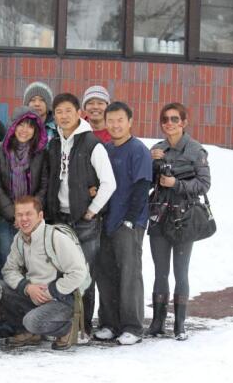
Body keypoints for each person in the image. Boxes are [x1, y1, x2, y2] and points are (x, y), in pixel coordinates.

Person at [45, 92, 116, 340]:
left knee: (84, 276)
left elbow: (109, 183)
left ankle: (84, 327)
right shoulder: (54, 144)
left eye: (67, 111)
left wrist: (92, 210)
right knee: (61, 275)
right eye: (58, 112)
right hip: (59, 219)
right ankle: (64, 326)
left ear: (78, 113)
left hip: (84, 221)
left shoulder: (92, 144)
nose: (63, 116)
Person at [147, 102, 211, 341]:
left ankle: (180, 324)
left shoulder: (195, 150)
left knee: (180, 272)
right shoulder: (156, 148)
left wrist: (177, 184)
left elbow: (204, 184)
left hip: (184, 217)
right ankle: (157, 322)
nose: (169, 123)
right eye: (165, 119)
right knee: (160, 272)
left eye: (175, 119)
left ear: (184, 122)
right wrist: (149, 160)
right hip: (159, 215)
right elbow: (145, 180)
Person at [93, 102, 152, 345]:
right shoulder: (105, 148)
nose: (115, 125)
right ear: (106, 123)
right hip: (105, 221)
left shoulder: (138, 150)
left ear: (130, 121)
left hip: (128, 223)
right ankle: (109, 323)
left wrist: (129, 220)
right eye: (111, 120)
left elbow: (142, 187)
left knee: (129, 274)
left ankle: (132, 326)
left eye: (120, 120)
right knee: (105, 274)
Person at [0, 196, 89, 350]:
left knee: (33, 321)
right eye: (19, 215)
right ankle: (30, 333)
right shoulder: (19, 239)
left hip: (62, 298)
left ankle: (67, 328)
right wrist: (27, 288)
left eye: (28, 214)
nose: (23, 219)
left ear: (40, 216)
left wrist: (51, 291)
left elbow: (79, 272)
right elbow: (9, 270)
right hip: (35, 294)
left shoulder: (56, 237)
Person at [0, 106, 48, 277]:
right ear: (13, 125)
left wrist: (29, 214)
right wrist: (14, 214)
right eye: (21, 125)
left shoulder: (41, 153)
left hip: (32, 219)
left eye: (30, 126)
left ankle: (26, 300)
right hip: (6, 218)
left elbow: (44, 186)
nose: (24, 130)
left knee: (32, 262)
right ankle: (4, 298)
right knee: (5, 260)